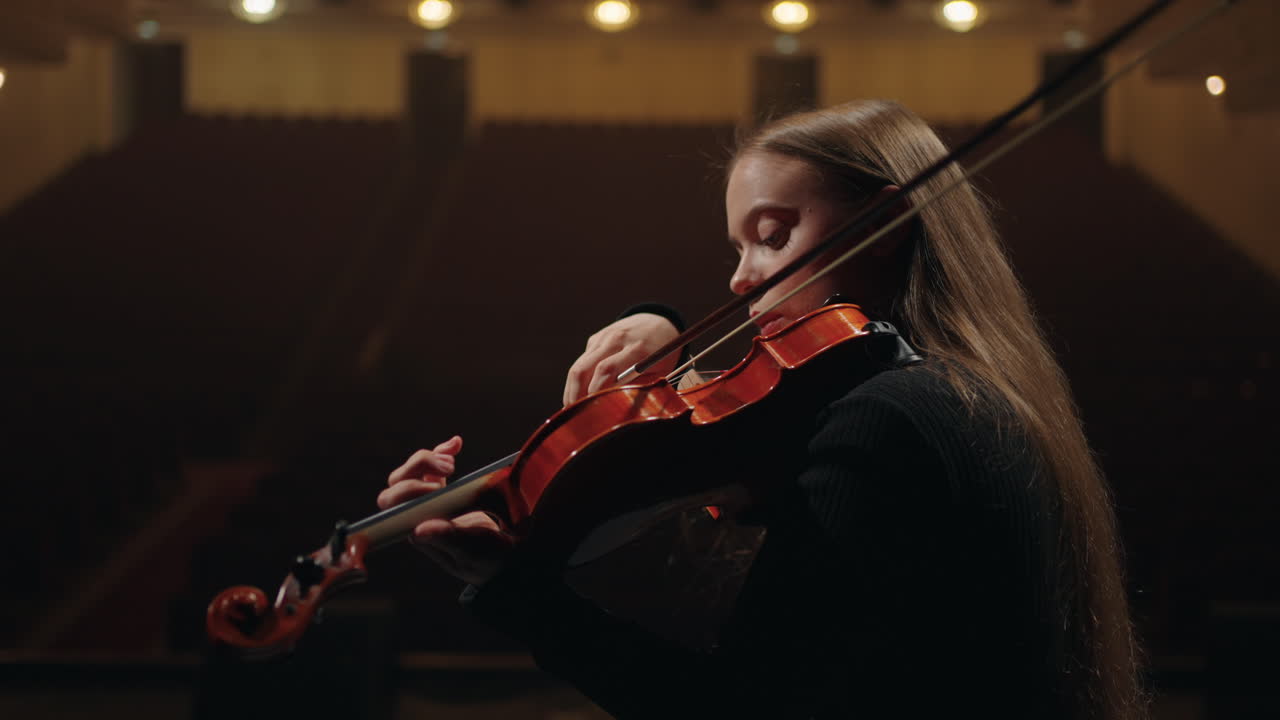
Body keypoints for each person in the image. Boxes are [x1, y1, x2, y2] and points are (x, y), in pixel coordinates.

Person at [377, 100, 1145, 719]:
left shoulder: (888, 419)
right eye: (737, 249)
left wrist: (518, 594)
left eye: (773, 236)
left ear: (882, 226)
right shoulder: (978, 397)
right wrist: (663, 329)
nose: (742, 280)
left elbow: (741, 707)